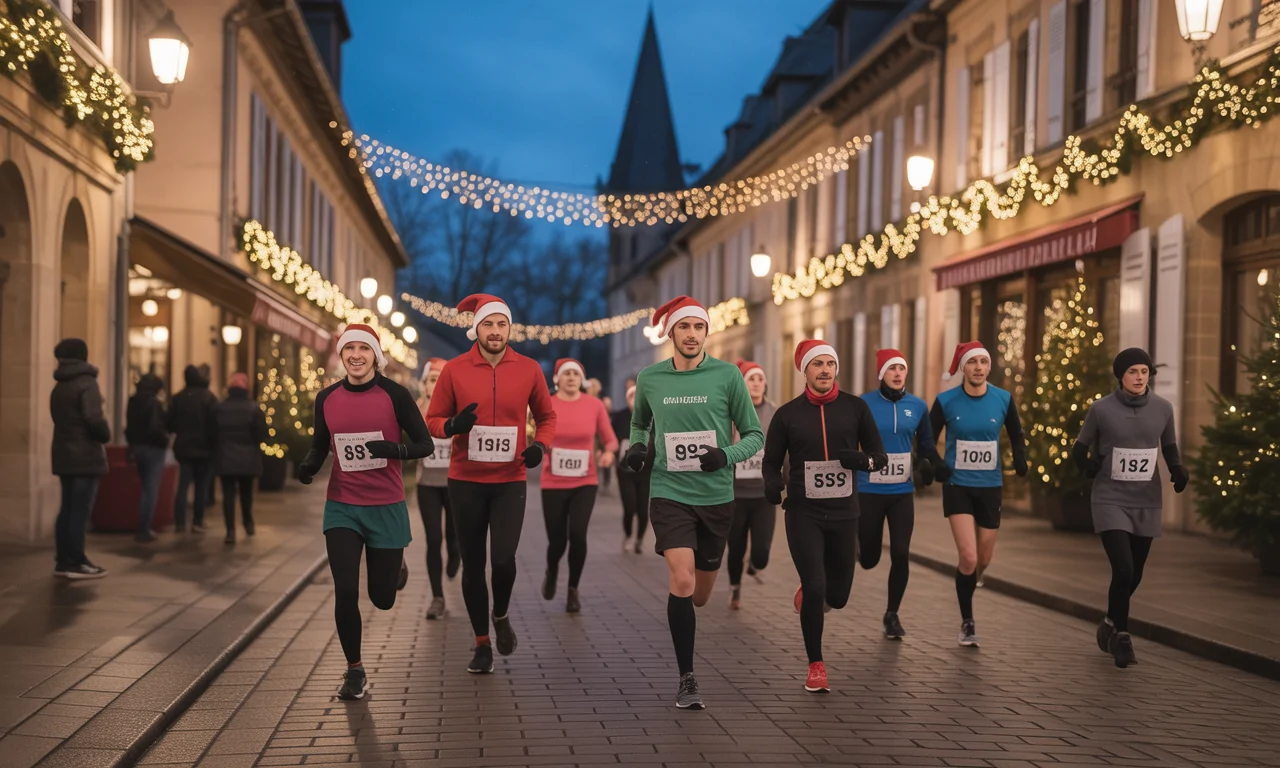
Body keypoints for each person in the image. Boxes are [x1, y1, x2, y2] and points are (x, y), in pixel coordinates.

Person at [625, 296, 763, 710]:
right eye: (683, 327)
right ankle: (687, 677)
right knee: (681, 582)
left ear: (707, 332)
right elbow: (639, 423)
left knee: (701, 594)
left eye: (698, 327)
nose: (691, 334)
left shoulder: (727, 377)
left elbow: (755, 434)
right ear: (671, 333)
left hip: (716, 497)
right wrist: (637, 448)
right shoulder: (650, 378)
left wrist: (726, 455)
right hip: (669, 493)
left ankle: (703, 589)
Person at [298, 324, 434, 701]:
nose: (356, 355)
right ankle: (354, 671)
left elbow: (424, 445)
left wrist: (392, 450)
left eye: (364, 348)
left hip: (386, 506)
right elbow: (320, 444)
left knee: (383, 598)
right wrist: (308, 466)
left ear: (376, 354)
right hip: (342, 506)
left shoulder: (395, 395)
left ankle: (396, 569)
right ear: (341, 355)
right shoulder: (326, 398)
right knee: (345, 590)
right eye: (349, 348)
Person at [426, 294, 556, 675]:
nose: (495, 331)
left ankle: (500, 613)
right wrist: (451, 427)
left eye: (502, 324)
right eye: (488, 324)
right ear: (477, 329)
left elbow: (547, 416)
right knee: (472, 564)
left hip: (509, 480)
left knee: (502, 559)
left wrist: (539, 446)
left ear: (509, 329)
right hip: (465, 480)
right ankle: (482, 642)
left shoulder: (529, 369)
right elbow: (433, 419)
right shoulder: (454, 369)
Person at [763, 340, 886, 693]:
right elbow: (771, 462)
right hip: (804, 512)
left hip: (846, 514)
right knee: (816, 585)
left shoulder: (856, 408)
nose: (825, 370)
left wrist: (863, 461)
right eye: (817, 364)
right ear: (805, 370)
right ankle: (816, 665)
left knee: (839, 595)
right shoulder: (787, 415)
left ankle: (814, 596)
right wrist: (773, 484)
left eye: (830, 363)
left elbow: (881, 456)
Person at [1072, 348, 1188, 668]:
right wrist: (1089, 466)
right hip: (1109, 497)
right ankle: (1122, 637)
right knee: (1122, 568)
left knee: (1133, 574)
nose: (1140, 377)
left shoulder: (1163, 409)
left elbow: (1169, 448)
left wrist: (1178, 471)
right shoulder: (1101, 409)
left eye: (1144, 371)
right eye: (1133, 372)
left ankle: (1109, 622)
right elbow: (1079, 449)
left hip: (1146, 500)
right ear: (1120, 376)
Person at [930, 341, 1028, 648]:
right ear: (963, 367)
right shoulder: (946, 401)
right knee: (969, 558)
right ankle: (967, 621)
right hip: (958, 485)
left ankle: (974, 576)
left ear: (989, 367)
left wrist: (1020, 457)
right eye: (973, 363)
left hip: (990, 487)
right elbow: (927, 441)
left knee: (984, 558)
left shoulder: (1003, 398)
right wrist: (934, 466)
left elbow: (1015, 432)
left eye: (984, 362)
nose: (979, 368)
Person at [858, 349, 948, 639]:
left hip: (901, 491)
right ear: (881, 373)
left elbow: (926, 446)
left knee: (900, 552)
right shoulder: (863, 404)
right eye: (891, 368)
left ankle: (892, 614)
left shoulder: (918, 406)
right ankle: (861, 549)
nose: (897, 373)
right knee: (870, 558)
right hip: (868, 489)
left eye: (901, 368)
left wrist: (934, 465)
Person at [541, 358, 618, 613]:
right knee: (557, 542)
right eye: (566, 374)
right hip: (553, 481)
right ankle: (552, 570)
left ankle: (573, 589)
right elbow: (537, 436)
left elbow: (610, 440)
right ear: (557, 379)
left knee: (577, 533)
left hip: (585, 481)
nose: (571, 377)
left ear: (582, 379)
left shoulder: (594, 406)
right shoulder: (547, 405)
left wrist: (607, 453)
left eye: (576, 373)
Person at [50, 338, 111, 579]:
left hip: (64, 453)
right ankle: (75, 560)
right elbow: (94, 419)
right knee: (80, 510)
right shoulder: (87, 383)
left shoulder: (60, 386)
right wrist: (104, 435)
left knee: (67, 508)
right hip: (85, 455)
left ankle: (63, 559)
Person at [726, 360, 777, 610]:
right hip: (735, 493)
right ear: (743, 385)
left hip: (764, 493)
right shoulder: (731, 412)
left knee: (762, 551)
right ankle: (735, 587)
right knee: (735, 546)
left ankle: (756, 565)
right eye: (751, 379)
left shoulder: (775, 413)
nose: (756, 383)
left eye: (760, 379)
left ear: (765, 383)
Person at [416, 357, 461, 620]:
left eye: (441, 380)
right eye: (432, 379)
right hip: (427, 485)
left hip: (454, 483)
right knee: (434, 539)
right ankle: (437, 597)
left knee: (453, 535)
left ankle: (455, 553)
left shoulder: (457, 409)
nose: (436, 385)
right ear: (424, 384)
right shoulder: (417, 409)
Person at [214, 372, 268, 545]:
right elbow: (262, 434)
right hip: (248, 457)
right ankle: (248, 523)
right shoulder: (254, 408)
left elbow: (212, 432)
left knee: (228, 495)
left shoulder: (220, 407)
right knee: (246, 493)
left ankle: (230, 530)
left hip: (226, 456)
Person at [167, 364, 218, 533]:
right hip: (204, 449)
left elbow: (169, 423)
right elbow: (214, 424)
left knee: (182, 486)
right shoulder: (208, 397)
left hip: (184, 448)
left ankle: (180, 522)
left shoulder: (178, 398)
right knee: (201, 487)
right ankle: (197, 521)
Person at [125, 373, 168, 543]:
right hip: (153, 448)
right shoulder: (154, 403)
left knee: (145, 486)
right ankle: (144, 529)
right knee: (151, 489)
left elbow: (129, 425)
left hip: (137, 447)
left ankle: (143, 527)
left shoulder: (132, 401)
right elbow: (155, 427)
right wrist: (164, 440)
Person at [614, 379, 653, 554]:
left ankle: (639, 539)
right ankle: (628, 534)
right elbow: (610, 439)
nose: (635, 400)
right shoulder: (620, 417)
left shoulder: (653, 416)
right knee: (629, 507)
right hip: (625, 471)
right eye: (632, 396)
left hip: (646, 471)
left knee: (643, 508)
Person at [599, 394, 615, 490]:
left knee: (607, 465)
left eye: (608, 404)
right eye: (605, 403)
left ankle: (606, 481)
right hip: (600, 443)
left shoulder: (613, 416)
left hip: (609, 442)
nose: (607, 405)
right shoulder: (599, 414)